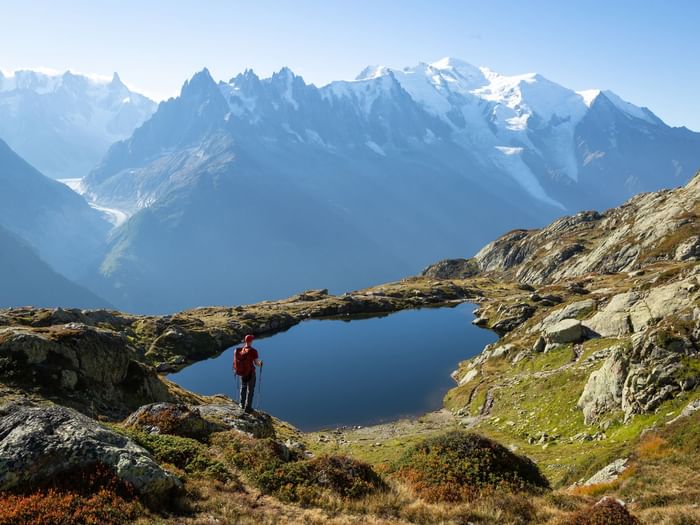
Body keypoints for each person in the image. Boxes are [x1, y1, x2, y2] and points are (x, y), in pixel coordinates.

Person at [233, 334, 263, 413]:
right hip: (250, 373)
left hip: (242, 373)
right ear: (251, 341)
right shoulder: (253, 351)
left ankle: (241, 404)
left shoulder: (240, 350)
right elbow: (257, 364)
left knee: (243, 388)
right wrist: (261, 364)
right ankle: (248, 407)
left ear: (245, 341)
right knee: (250, 390)